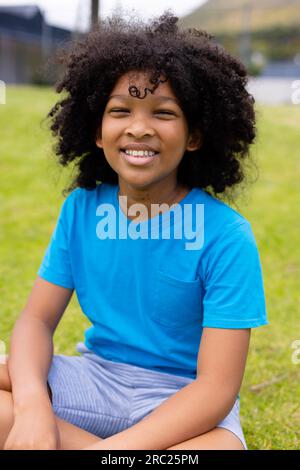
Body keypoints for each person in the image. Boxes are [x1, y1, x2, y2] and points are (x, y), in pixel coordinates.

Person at [0, 11, 268, 450]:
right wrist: (32, 407)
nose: (139, 127)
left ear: (195, 135)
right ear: (99, 133)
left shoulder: (227, 236)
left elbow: (216, 389)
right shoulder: (81, 210)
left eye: (163, 113)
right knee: (14, 390)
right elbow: (35, 320)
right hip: (94, 378)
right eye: (120, 110)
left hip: (181, 401)